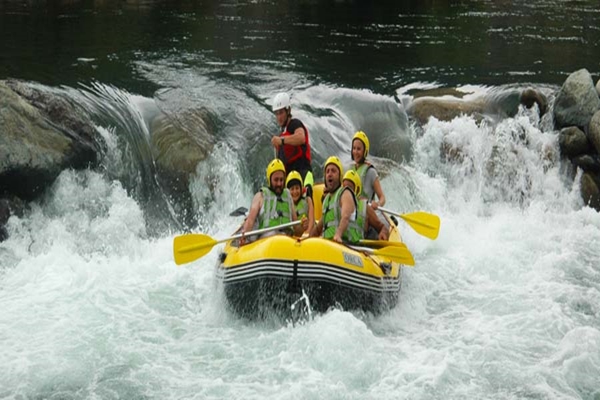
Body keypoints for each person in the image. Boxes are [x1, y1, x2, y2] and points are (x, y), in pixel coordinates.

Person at [240, 159, 307, 245]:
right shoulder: (260, 196)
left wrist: (302, 227)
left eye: (281, 180)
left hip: (287, 241)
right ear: (269, 179)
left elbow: (297, 231)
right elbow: (250, 221)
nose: (279, 183)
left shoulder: (288, 196)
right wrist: (244, 235)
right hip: (267, 241)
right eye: (276, 180)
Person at [270, 92, 314, 198]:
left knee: (306, 199)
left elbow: (301, 137)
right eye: (277, 113)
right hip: (290, 181)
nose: (279, 117)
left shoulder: (295, 124)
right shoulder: (282, 134)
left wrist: (281, 141)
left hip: (303, 174)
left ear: (288, 111)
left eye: (281, 113)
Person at [309, 156, 362, 244]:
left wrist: (338, 234)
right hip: (329, 245)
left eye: (333, 171)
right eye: (327, 171)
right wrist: (307, 241)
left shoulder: (345, 193)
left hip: (346, 244)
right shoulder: (327, 200)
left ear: (340, 176)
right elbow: (318, 228)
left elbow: (345, 216)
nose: (329, 174)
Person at [342, 170, 389, 241]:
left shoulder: (366, 209)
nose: (346, 191)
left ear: (357, 190)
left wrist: (378, 204)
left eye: (349, 188)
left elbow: (383, 228)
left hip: (358, 248)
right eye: (344, 188)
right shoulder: (335, 203)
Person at [348, 131, 386, 210]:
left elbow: (382, 198)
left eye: (359, 149)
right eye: (354, 148)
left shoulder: (371, 172)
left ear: (365, 151)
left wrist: (378, 204)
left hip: (366, 213)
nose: (355, 152)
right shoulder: (350, 169)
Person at [285, 170, 314, 235]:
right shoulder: (287, 205)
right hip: (295, 237)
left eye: (297, 188)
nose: (295, 192)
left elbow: (312, 220)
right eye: (292, 189)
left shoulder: (308, 200)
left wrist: (307, 232)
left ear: (301, 189)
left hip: (308, 235)